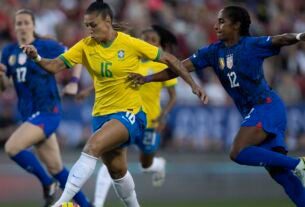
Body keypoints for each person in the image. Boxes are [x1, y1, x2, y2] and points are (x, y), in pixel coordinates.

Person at [20, 1, 206, 207]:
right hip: (101, 115)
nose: (89, 30)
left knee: (92, 146)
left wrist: (192, 84)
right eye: (86, 25)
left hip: (131, 114)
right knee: (117, 171)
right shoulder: (85, 46)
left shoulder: (130, 43)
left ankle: (62, 203)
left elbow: (170, 59)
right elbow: (55, 66)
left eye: (93, 25)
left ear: (107, 21)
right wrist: (36, 57)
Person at [128, 5, 305, 206]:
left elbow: (280, 38)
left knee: (238, 152)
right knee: (280, 174)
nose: (215, 26)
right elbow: (178, 68)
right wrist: (147, 78)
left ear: (236, 25)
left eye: (222, 21)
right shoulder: (213, 52)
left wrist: (299, 36)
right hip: (256, 111)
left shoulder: (252, 45)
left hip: (267, 107)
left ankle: (299, 163)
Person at [0, 9, 92, 207]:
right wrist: (1, 77)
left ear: (34, 25)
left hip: (48, 111)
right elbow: (5, 86)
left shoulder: (45, 46)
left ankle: (48, 184)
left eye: (26, 22)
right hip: (28, 115)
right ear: (14, 27)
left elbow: (76, 57)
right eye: (19, 23)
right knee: (56, 168)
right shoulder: (8, 52)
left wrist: (74, 81)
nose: (22, 26)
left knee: (12, 147)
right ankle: (86, 205)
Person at [78, 25, 178, 206]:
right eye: (144, 38)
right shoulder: (130, 58)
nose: (147, 42)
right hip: (125, 116)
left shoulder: (159, 64)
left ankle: (158, 164)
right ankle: (98, 203)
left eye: (152, 40)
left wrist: (163, 116)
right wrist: (87, 90)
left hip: (150, 123)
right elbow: (109, 79)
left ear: (158, 44)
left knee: (145, 165)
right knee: (111, 158)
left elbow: (173, 96)